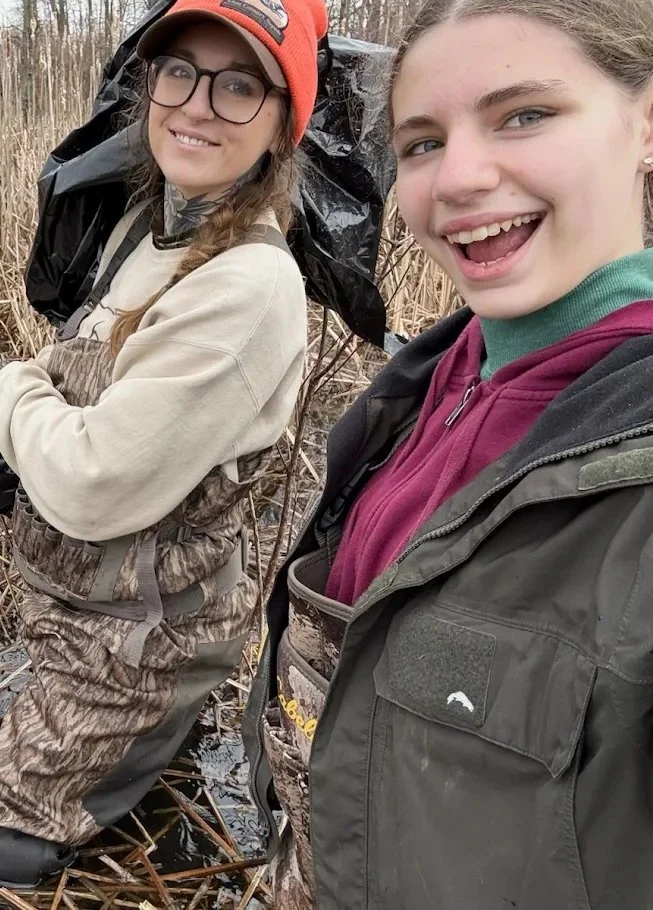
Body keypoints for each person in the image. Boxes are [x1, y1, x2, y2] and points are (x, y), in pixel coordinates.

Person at [242, 0, 653, 906]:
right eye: (422, 142)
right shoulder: (426, 379)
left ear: (644, 123)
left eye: (524, 115)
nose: (457, 177)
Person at [0, 0, 328, 887]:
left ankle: (146, 747)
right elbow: (73, 367)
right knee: (139, 809)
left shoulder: (248, 286)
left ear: (282, 122)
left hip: (140, 639)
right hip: (92, 612)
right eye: (179, 72)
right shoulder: (154, 223)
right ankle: (148, 775)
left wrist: (4, 389)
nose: (197, 105)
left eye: (240, 86)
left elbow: (91, 483)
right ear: (146, 84)